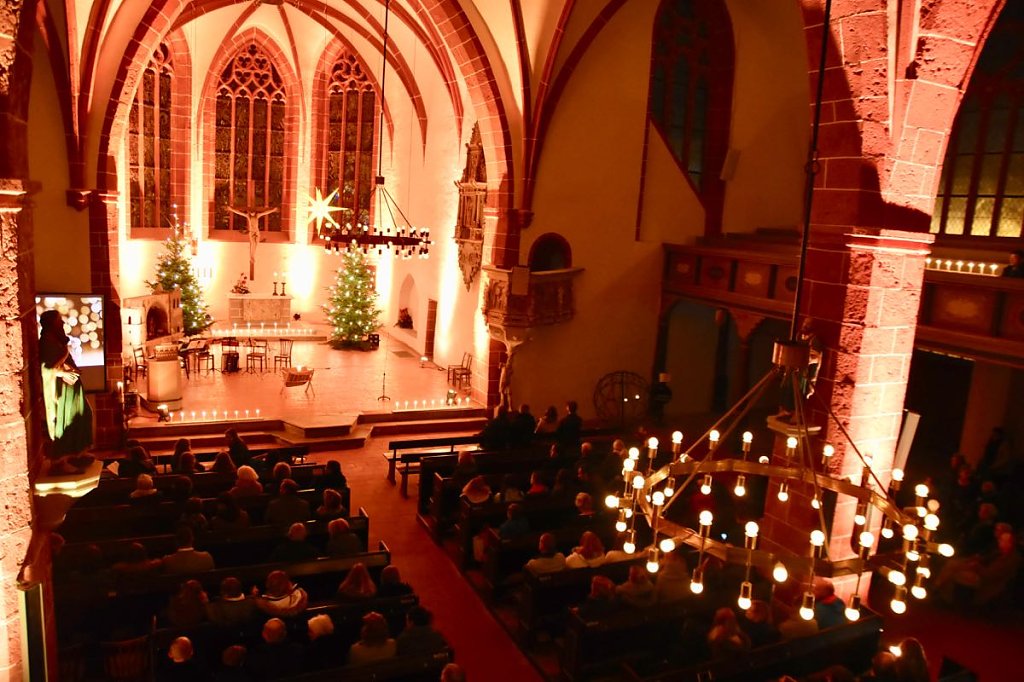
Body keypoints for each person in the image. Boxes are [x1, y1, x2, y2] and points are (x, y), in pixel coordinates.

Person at [38, 308, 93, 457]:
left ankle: (78, 453)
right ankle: (64, 457)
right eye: (59, 321)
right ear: (52, 324)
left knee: (84, 415)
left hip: (71, 388)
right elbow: (45, 368)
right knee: (68, 421)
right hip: (62, 390)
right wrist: (63, 373)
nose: (62, 323)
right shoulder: (46, 342)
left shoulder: (56, 340)